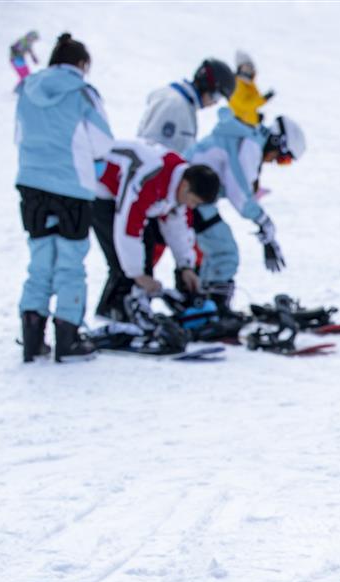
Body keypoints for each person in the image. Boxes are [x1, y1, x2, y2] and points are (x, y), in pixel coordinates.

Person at [15, 33, 113, 363]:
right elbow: (102, 143)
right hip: (72, 188)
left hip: (31, 185)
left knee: (40, 258)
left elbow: (19, 134)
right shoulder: (83, 93)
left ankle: (32, 337)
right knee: (70, 262)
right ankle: (68, 339)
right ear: (82, 64)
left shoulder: (28, 89)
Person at [186, 110, 306, 311]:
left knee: (216, 251)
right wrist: (264, 223)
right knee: (224, 252)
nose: (274, 162)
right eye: (282, 158)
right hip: (190, 195)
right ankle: (213, 310)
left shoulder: (248, 139)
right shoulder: (250, 145)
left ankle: (201, 306)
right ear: (277, 142)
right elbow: (240, 195)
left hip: (193, 194)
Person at [91, 139, 221, 323]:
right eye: (194, 201)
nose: (192, 206)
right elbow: (128, 225)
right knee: (121, 261)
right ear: (185, 186)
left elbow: (176, 226)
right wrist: (137, 273)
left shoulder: (180, 182)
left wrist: (185, 266)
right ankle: (113, 314)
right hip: (99, 189)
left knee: (147, 247)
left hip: (123, 194)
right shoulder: (151, 176)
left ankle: (133, 310)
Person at [137, 58, 235, 156]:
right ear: (206, 85)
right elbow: (152, 152)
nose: (215, 103)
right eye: (216, 96)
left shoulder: (186, 107)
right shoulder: (174, 105)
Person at [228, 50, 274, 126]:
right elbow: (244, 105)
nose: (249, 71)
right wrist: (263, 99)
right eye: (246, 68)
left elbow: (253, 101)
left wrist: (255, 117)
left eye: (250, 68)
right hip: (239, 125)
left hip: (248, 125)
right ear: (240, 68)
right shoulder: (236, 84)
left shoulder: (248, 84)